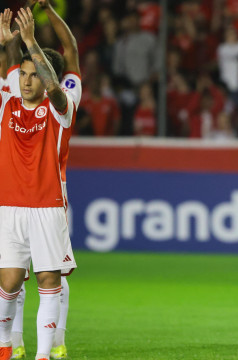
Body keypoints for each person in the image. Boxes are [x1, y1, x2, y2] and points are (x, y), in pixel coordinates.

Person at [4, 1, 82, 358]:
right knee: (11, 282)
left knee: (52, 280)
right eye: (24, 74)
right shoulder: (9, 100)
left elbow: (71, 55)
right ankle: (13, 344)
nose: (26, 79)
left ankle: (50, 346)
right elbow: (10, 69)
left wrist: (37, 30)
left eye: (34, 73)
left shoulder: (63, 99)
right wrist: (12, 42)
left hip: (51, 194)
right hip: (14, 200)